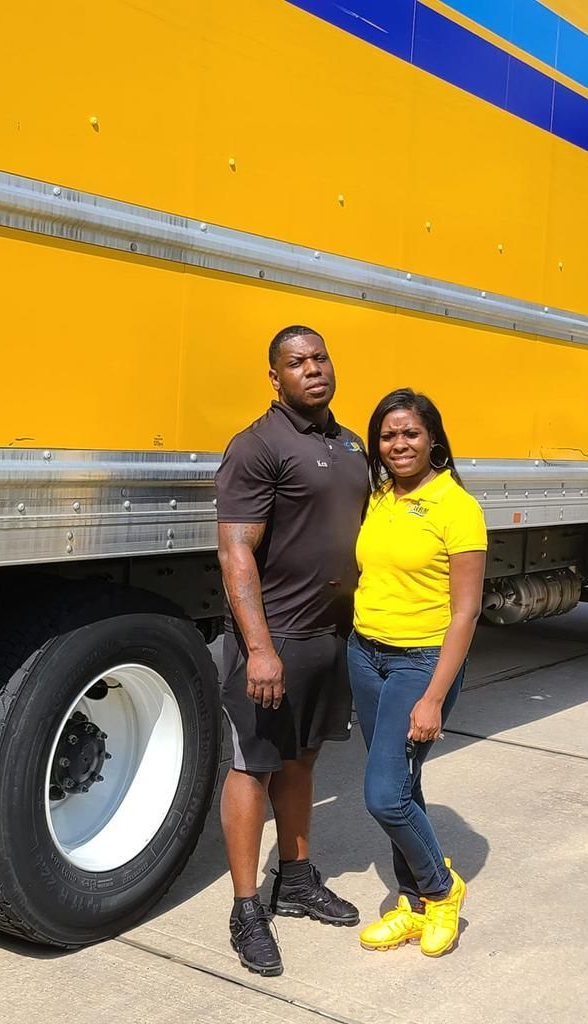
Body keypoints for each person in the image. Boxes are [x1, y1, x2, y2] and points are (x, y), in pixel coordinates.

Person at [215, 325, 369, 977]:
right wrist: (260, 649)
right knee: (254, 765)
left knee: (303, 760)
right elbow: (235, 550)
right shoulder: (257, 446)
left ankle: (297, 880)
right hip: (275, 639)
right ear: (274, 378)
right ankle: (247, 908)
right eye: (297, 363)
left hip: (329, 640)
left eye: (321, 358)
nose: (314, 370)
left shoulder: (351, 442)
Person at [347, 388, 486, 958]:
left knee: (383, 796)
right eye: (387, 435)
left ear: (433, 439)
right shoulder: (380, 497)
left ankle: (441, 889)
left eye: (409, 433)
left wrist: (431, 698)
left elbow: (466, 611)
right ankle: (412, 904)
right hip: (365, 654)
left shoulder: (458, 508)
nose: (398, 444)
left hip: (420, 662)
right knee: (406, 784)